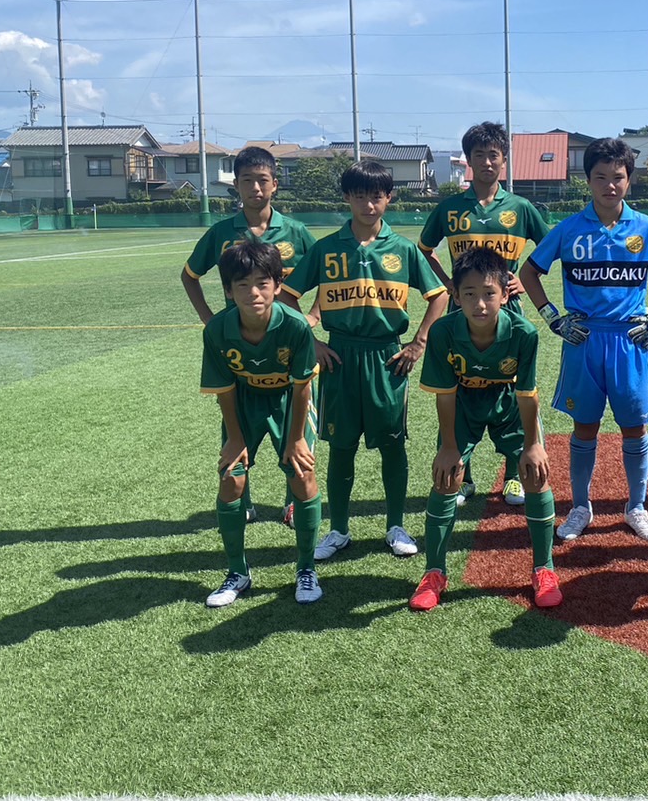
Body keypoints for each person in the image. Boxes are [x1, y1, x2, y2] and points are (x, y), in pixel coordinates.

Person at [520, 137, 648, 542]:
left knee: (634, 427)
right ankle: (581, 506)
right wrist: (552, 318)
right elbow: (529, 272)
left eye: (617, 177)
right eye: (600, 177)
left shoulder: (646, 227)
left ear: (629, 180)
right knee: (585, 427)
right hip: (584, 340)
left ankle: (636, 507)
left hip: (630, 340)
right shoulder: (569, 229)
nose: (609, 185)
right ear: (588, 181)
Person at [282, 160, 450, 562]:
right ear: (347, 198)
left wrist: (418, 342)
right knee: (341, 446)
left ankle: (396, 525)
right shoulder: (326, 248)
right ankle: (339, 529)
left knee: (392, 445)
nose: (368, 204)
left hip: (386, 358)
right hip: (340, 356)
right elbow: (287, 297)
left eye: (376, 196)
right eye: (360, 196)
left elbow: (440, 295)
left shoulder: (403, 249)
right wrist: (313, 342)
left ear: (389, 198)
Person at [411, 247, 560, 611]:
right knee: (446, 477)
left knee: (535, 474)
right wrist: (449, 447)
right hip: (463, 404)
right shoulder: (443, 332)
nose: (480, 304)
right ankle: (434, 572)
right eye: (469, 294)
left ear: (505, 294)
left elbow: (527, 394)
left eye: (489, 293)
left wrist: (532, 444)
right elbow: (445, 394)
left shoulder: (524, 333)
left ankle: (544, 569)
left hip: (509, 403)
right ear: (456, 296)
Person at [182, 145, 317, 526]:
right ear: (236, 186)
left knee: (295, 421)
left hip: (287, 341)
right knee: (238, 423)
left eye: (262, 180)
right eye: (247, 181)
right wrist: (210, 319)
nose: (255, 188)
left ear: (275, 185)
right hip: (239, 342)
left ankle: (294, 500)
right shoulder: (222, 233)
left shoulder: (296, 232)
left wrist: (313, 315)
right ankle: (243, 499)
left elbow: (325, 272)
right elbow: (190, 276)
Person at [419, 122, 551, 509]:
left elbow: (551, 246)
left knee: (512, 387)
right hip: (462, 312)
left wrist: (526, 279)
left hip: (507, 311)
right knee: (460, 387)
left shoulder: (520, 208)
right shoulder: (449, 208)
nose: (487, 162)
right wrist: (450, 285)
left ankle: (513, 476)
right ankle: (464, 476)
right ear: (468, 161)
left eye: (494, 155)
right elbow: (424, 251)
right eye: (479, 155)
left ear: (504, 160)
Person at [199, 241, 322, 607]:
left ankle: (306, 568)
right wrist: (235, 439)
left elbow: (302, 386)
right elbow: (224, 389)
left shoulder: (296, 326)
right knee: (231, 479)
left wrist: (296, 439)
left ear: (277, 285)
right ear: (228, 290)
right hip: (243, 402)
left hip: (289, 402)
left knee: (302, 475)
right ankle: (237, 572)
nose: (253, 292)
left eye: (262, 283)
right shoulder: (217, 330)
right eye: (242, 284)